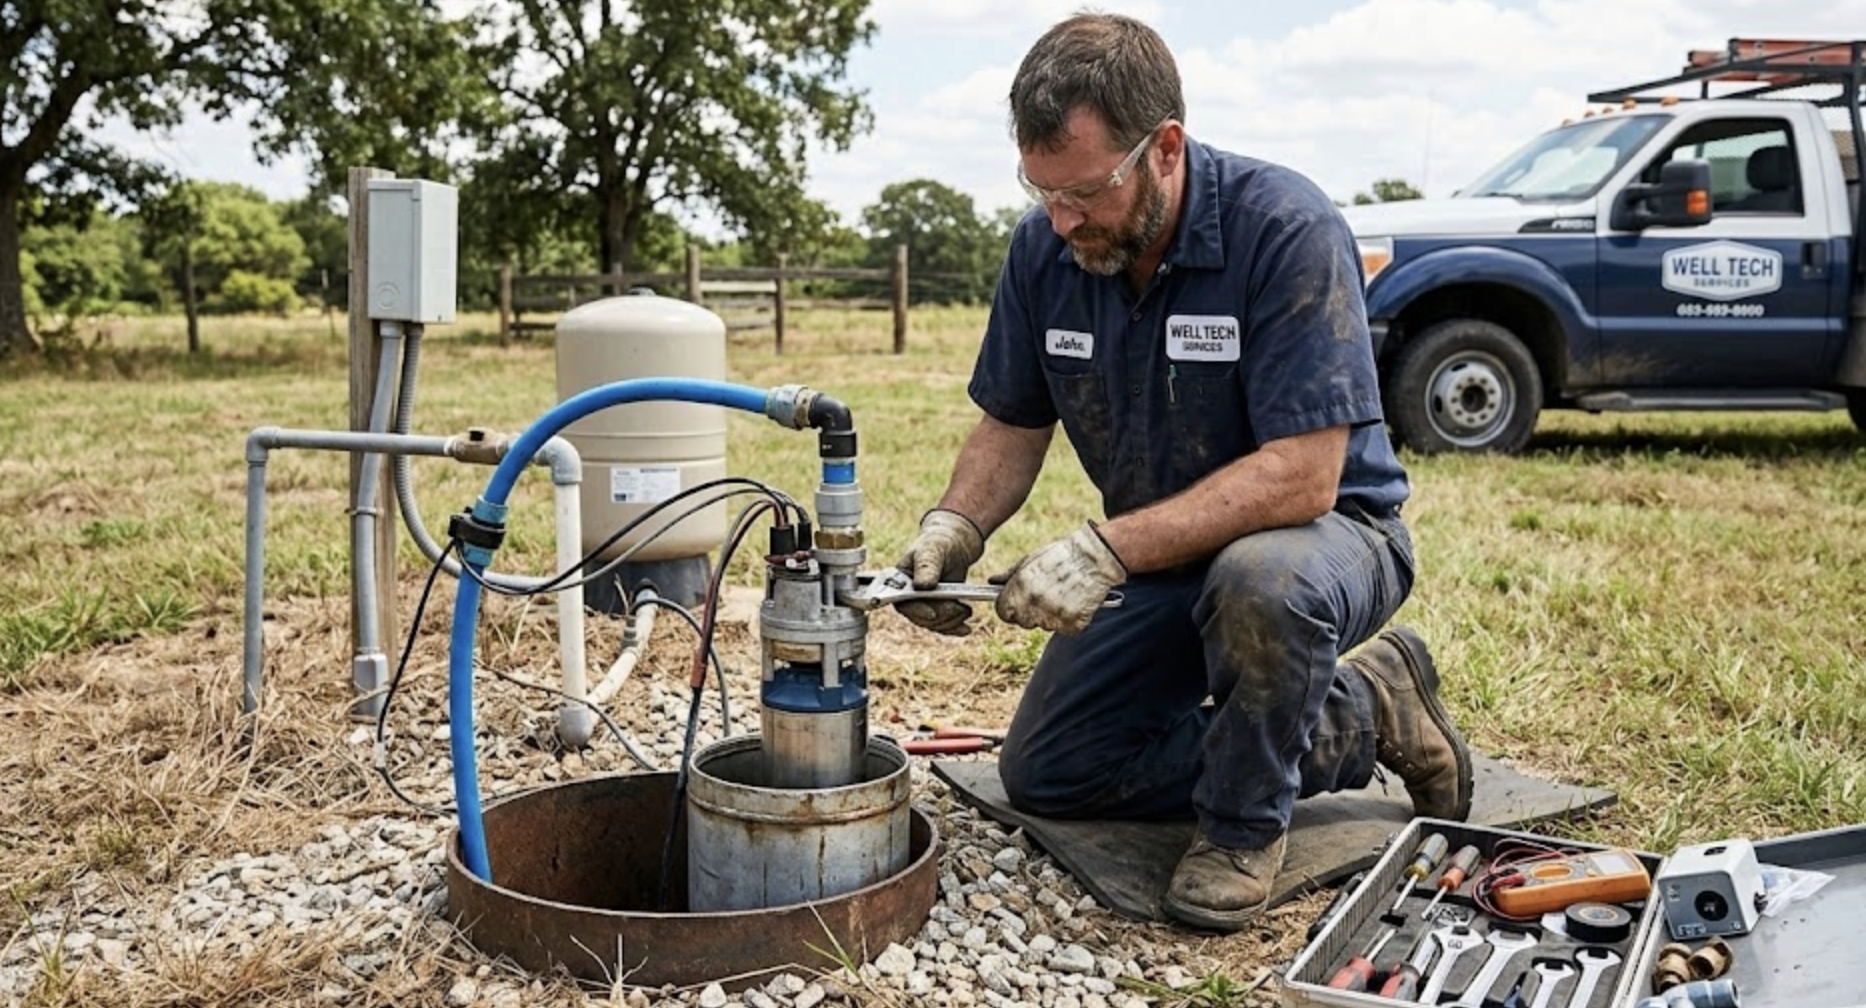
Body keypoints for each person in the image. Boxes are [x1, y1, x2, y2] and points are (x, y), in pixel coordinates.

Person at [894, 11, 1474, 932]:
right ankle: (1364, 710)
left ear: (1165, 148)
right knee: (1050, 769)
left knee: (1260, 581)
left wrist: (1105, 548)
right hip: (1155, 557)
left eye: (1084, 191)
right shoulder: (1045, 250)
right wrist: (955, 526)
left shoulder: (1284, 229)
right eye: (1041, 189)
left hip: (1325, 544)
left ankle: (1242, 826)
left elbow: (1303, 478)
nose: (1061, 218)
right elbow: (1011, 421)